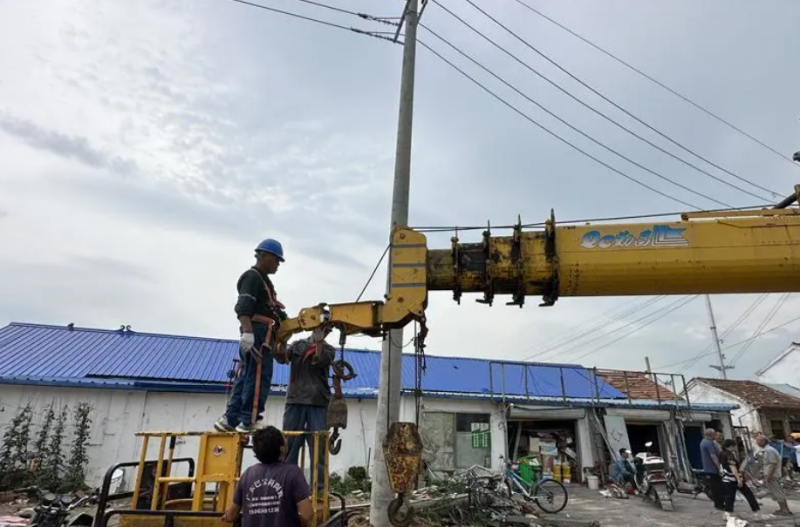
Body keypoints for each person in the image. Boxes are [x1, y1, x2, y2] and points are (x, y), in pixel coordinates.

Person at [216, 239, 288, 433]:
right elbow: (243, 307)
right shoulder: (252, 277)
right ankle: (249, 420)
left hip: (258, 332)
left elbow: (273, 310)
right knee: (258, 377)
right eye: (276, 260)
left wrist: (288, 322)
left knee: (247, 376)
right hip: (257, 333)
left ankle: (230, 419)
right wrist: (248, 332)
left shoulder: (264, 281)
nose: (278, 265)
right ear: (263, 256)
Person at [277, 326, 336, 495]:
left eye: (325, 331)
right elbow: (281, 358)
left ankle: (319, 491)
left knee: (319, 447)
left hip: (318, 402)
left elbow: (320, 359)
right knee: (289, 445)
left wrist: (318, 343)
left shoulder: (329, 349)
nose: (323, 332)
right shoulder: (296, 345)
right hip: (295, 399)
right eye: (320, 329)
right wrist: (281, 338)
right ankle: (287, 488)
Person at [222, 426, 313, 527]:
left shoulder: (247, 474)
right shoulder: (293, 473)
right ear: (282, 448)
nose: (287, 441)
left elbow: (230, 516)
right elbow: (307, 514)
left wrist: (226, 515)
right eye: (285, 439)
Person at [755, 434, 793, 516]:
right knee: (776, 492)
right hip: (771, 475)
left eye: (758, 440)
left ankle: (785, 510)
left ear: (763, 441)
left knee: (778, 492)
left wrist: (768, 477)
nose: (756, 442)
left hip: (773, 475)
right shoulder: (767, 450)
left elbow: (772, 464)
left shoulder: (769, 450)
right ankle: (783, 509)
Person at [700, 427, 724, 511]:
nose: (716, 435)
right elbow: (713, 456)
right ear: (711, 434)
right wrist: (719, 467)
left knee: (715, 486)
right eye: (714, 434)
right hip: (713, 469)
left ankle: (719, 503)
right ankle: (719, 504)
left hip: (709, 468)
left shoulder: (704, 441)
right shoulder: (709, 443)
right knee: (718, 487)